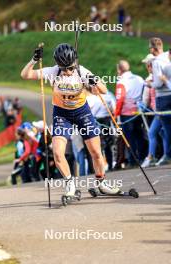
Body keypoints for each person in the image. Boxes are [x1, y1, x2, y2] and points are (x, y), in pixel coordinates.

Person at [20, 43, 121, 196]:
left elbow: (104, 90)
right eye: (64, 68)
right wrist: (33, 60)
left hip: (82, 112)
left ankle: (102, 183)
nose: (67, 72)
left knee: (95, 151)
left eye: (70, 68)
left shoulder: (82, 71)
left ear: (75, 62)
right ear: (58, 65)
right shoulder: (53, 72)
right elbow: (25, 75)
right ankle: (70, 183)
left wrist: (95, 82)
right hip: (62, 114)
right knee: (58, 153)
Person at [115, 60, 145, 166]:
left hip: (126, 114)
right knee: (140, 135)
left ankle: (133, 161)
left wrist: (116, 114)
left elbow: (120, 99)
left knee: (129, 138)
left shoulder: (121, 81)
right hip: (139, 111)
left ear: (119, 69)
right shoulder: (139, 78)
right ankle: (142, 157)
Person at [146, 38, 171, 165]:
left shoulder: (156, 62)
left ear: (152, 49)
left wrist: (150, 84)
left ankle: (168, 155)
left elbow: (159, 82)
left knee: (167, 129)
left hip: (162, 97)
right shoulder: (168, 57)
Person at [140, 54, 168, 167]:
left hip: (159, 110)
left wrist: (142, 106)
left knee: (152, 132)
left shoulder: (150, 79)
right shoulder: (163, 75)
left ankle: (151, 156)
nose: (147, 67)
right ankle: (166, 155)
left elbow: (146, 98)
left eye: (148, 65)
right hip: (162, 109)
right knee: (163, 133)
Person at [87, 90, 116, 171]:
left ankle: (106, 165)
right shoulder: (109, 95)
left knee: (102, 145)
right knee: (104, 145)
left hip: (100, 121)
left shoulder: (93, 97)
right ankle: (106, 165)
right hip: (102, 121)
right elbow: (114, 108)